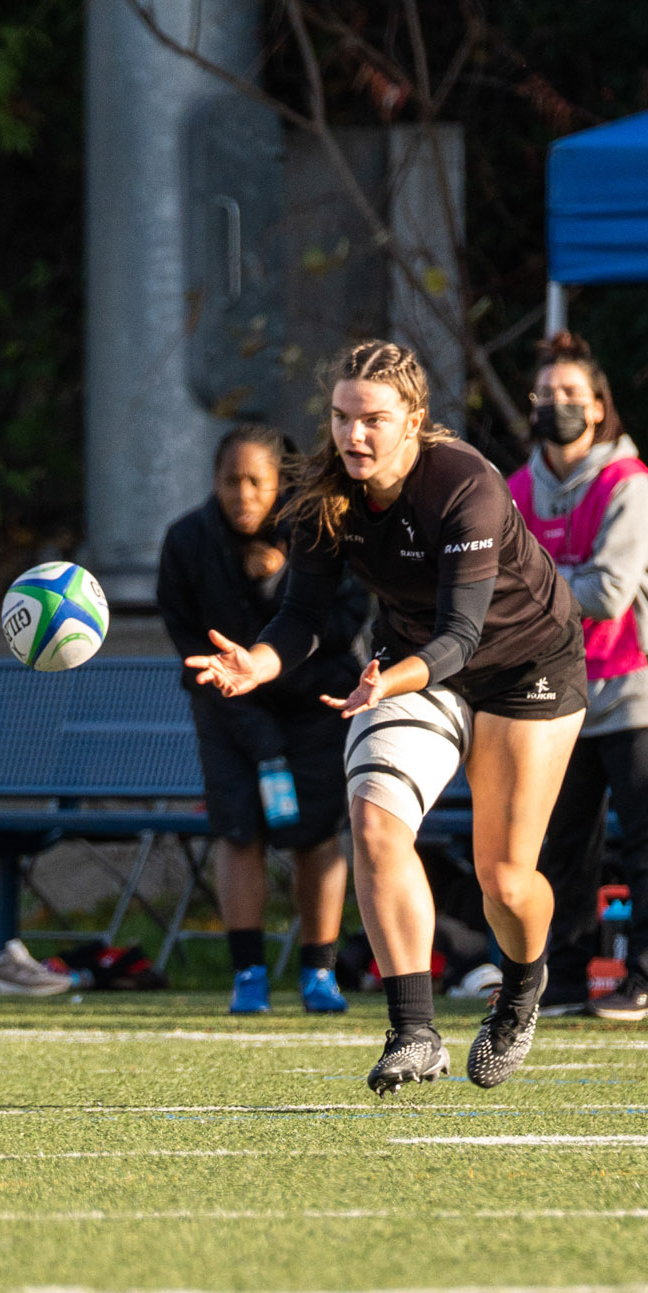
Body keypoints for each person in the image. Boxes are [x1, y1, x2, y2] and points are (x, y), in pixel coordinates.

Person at [188, 340, 585, 1095]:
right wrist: (259, 663)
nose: (353, 434)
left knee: (504, 879)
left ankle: (522, 987)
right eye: (342, 417)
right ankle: (414, 1031)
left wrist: (384, 682)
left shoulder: (465, 483)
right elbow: (301, 616)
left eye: (372, 419)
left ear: (414, 420)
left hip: (524, 666)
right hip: (407, 665)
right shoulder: (322, 492)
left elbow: (461, 635)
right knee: (373, 822)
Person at [510, 333, 648, 1022]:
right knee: (563, 843)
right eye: (546, 393)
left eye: (571, 394)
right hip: (559, 686)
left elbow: (610, 593)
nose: (557, 404)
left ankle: (647, 978)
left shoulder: (630, 484)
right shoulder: (515, 490)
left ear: (597, 406)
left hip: (639, 682)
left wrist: (529, 583)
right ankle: (561, 978)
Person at [157, 423, 366, 1016]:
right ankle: (248, 974)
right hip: (228, 710)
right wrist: (231, 687)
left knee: (317, 837)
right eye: (231, 481)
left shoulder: (319, 533)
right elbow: (184, 633)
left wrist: (279, 595)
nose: (243, 494)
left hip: (313, 707)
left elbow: (347, 615)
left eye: (256, 481)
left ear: (281, 483)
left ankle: (318, 973)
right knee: (238, 833)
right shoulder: (187, 540)